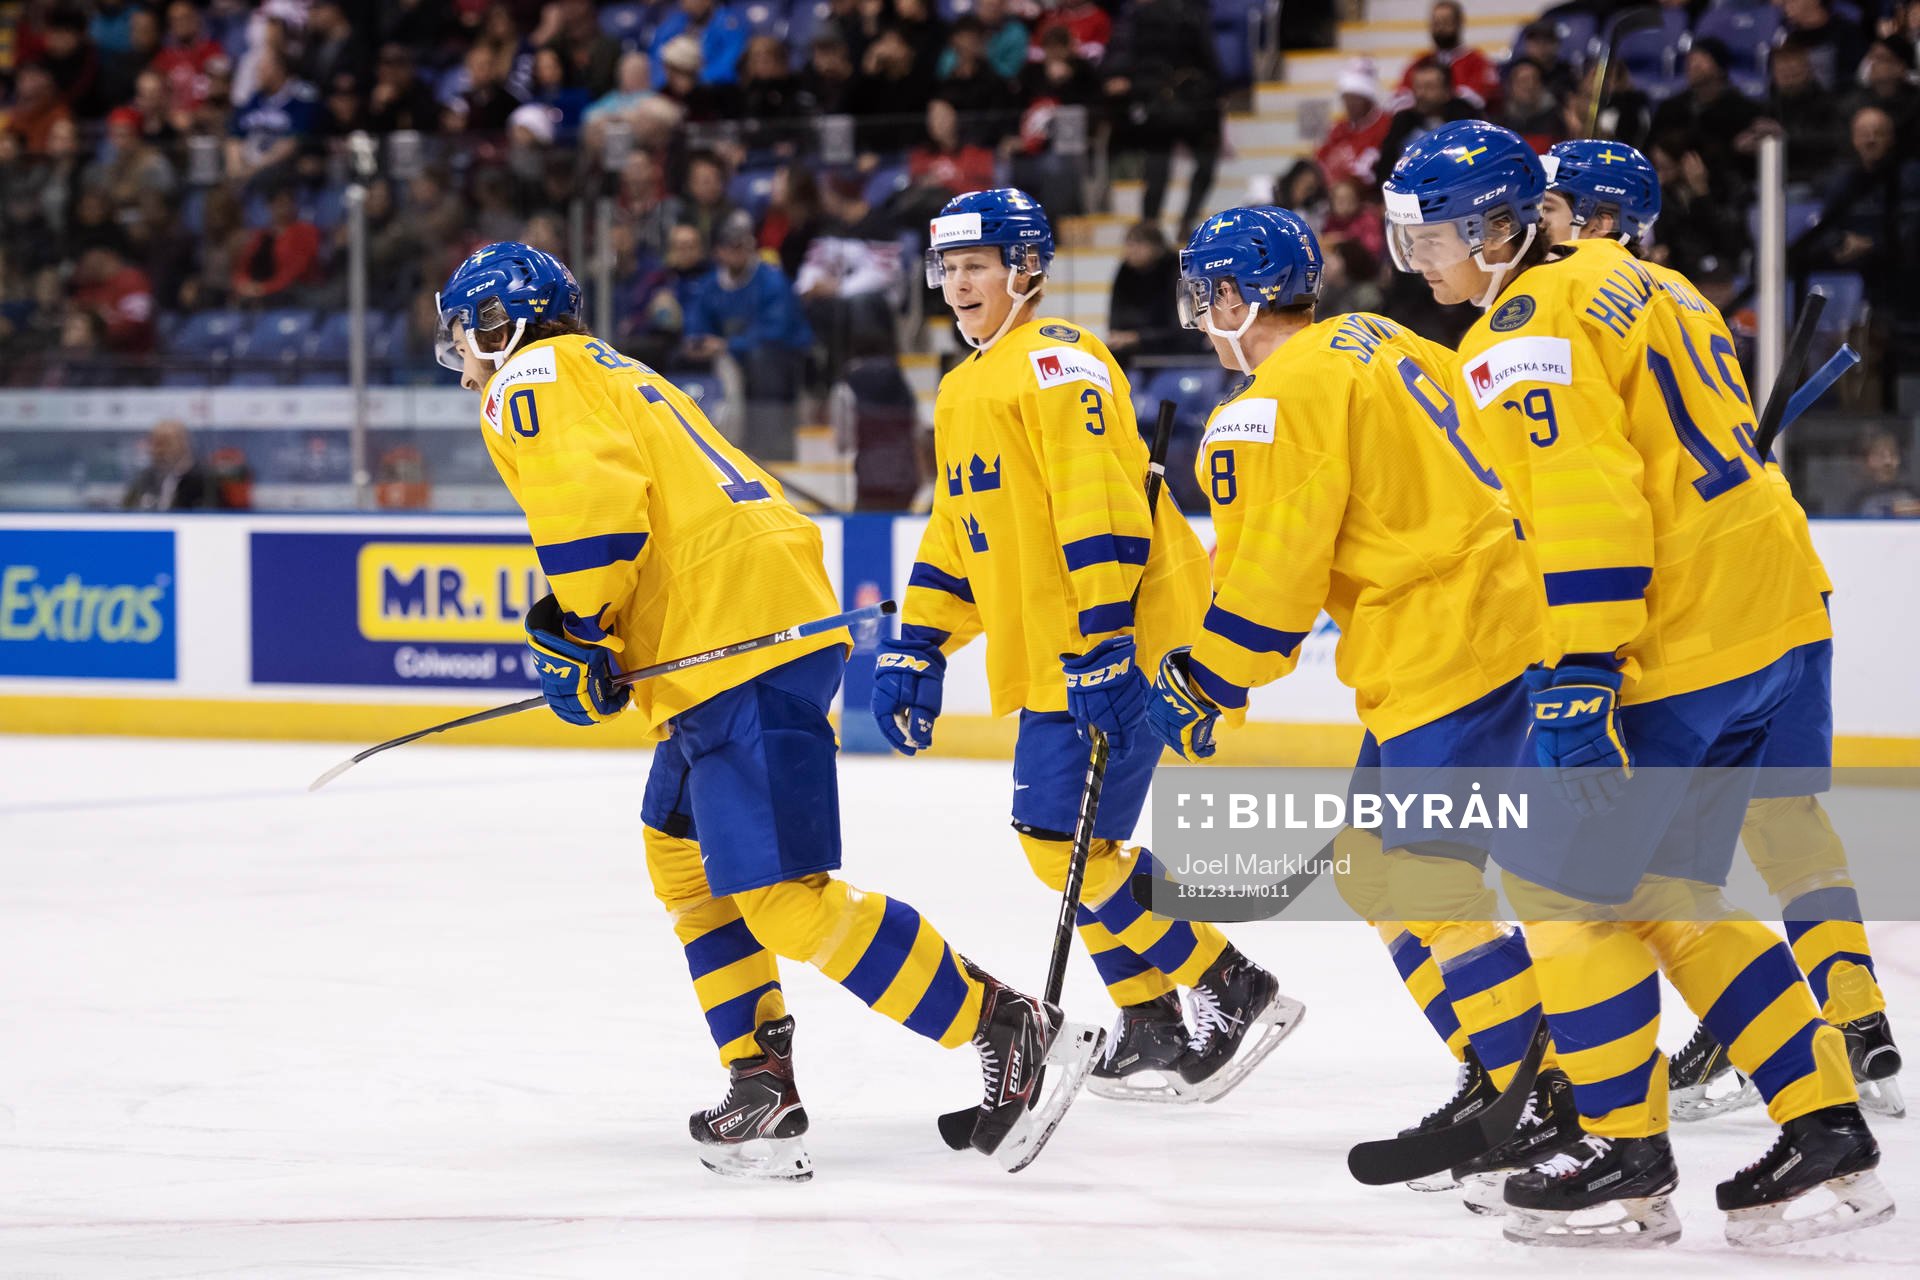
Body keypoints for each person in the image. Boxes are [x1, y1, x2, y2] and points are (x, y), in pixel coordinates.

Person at [435, 241, 1102, 1178]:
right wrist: (606, 640)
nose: (463, 364)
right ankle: (761, 1083)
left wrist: (583, 628)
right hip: (747, 620)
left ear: (497, 327)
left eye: (463, 340)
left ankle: (1006, 1024)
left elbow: (595, 507)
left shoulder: (529, 377)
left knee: (784, 899)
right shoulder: (605, 366)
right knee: (682, 858)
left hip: (734, 637)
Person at [1384, 119, 1891, 1247]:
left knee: (1559, 889)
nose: (1418, 261)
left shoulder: (1521, 329)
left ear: (1497, 230)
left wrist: (1580, 665)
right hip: (1778, 617)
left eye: (1431, 238)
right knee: (1667, 892)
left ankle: (1623, 1160)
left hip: (1676, 640)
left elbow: (1589, 500)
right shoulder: (1649, 281)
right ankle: (1824, 1132)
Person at [1144, 206, 1568, 1210]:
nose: (1201, 315)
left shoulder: (1270, 402)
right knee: (1376, 867)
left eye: (1207, 295)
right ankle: (1498, 1069)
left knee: (1430, 881)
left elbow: (1273, 590)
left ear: (1238, 296)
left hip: (1445, 642)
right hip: (1502, 609)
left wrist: (1210, 679)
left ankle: (1542, 1094)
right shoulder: (1379, 336)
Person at [870, 189, 1303, 1103]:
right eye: (949, 268)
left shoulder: (1061, 362)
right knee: (1077, 845)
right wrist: (919, 644)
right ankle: (1151, 1022)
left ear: (1026, 270)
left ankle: (1229, 982)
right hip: (1063, 651)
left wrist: (1105, 641)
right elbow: (958, 529)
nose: (959, 284)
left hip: (1118, 640)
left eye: (978, 266)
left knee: (1057, 843)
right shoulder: (962, 386)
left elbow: (1099, 511)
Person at [1542, 136, 1907, 1123]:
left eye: (1555, 208)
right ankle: (1853, 1011)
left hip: (1706, 600)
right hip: (1785, 574)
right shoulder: (1686, 296)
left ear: (1599, 219)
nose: (1538, 224)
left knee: (1653, 861)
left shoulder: (1564, 301)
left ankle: (1741, 1023)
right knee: (1787, 815)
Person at [683, 213, 815, 462]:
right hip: (729, 354)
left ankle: (769, 449)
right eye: (730, 245)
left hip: (780, 356)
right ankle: (694, 448)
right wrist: (696, 343)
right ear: (718, 250)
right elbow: (696, 323)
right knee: (682, 358)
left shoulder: (772, 280)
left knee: (762, 359)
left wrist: (727, 345)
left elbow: (776, 332)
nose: (736, 251)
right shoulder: (709, 285)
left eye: (741, 244)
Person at [1395, 1, 1500, 114]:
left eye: (1446, 22)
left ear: (1459, 23)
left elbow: (1476, 100)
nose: (1440, 28)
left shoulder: (1478, 62)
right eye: (1436, 23)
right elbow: (1399, 100)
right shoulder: (1420, 62)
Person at [122, 419, 213, 510]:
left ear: (183, 443)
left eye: (166, 443)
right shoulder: (146, 477)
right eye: (155, 444)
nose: (159, 450)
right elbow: (126, 509)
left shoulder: (202, 479)